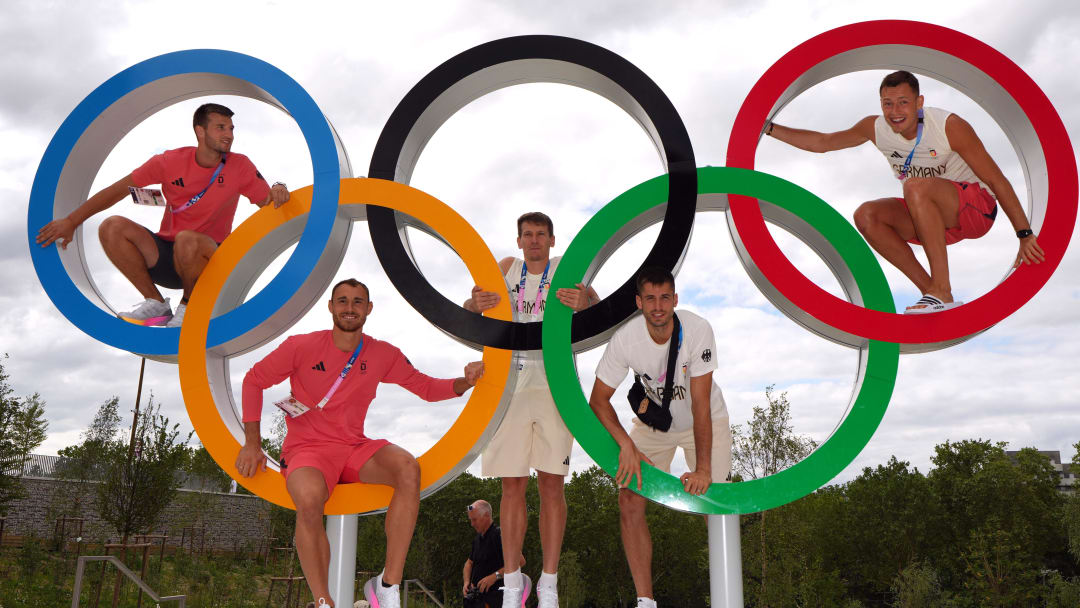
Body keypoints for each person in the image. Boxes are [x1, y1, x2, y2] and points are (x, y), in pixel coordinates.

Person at [236, 278, 484, 608]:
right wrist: (252, 443)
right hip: (307, 450)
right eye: (342, 301)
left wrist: (464, 382)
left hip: (354, 448)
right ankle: (323, 601)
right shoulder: (302, 346)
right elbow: (254, 379)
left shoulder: (382, 353)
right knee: (309, 502)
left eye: (357, 301)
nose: (349, 308)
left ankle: (387, 586)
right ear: (331, 307)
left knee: (408, 468)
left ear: (368, 309)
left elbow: (424, 387)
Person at [765, 70, 1044, 314]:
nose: (895, 111)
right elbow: (822, 142)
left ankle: (942, 289)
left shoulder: (948, 126)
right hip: (930, 219)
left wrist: (1024, 234)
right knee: (867, 215)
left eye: (903, 103)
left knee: (915, 186)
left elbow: (998, 181)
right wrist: (768, 128)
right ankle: (933, 294)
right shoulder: (875, 127)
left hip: (975, 209)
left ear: (919, 102)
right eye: (888, 103)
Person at [35, 102, 291, 327]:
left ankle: (190, 307)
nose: (229, 135)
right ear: (200, 131)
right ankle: (156, 304)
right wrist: (71, 221)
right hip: (168, 257)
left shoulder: (240, 165)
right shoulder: (169, 162)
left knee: (188, 239)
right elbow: (117, 191)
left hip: (209, 260)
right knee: (111, 226)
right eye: (221, 127)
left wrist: (279, 187)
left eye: (231, 128)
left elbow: (268, 203)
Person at [463, 211, 598, 608]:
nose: (534, 240)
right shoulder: (506, 268)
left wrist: (585, 299)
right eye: (528, 234)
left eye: (541, 234)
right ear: (519, 240)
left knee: (552, 481)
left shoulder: (566, 268)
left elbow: (599, 308)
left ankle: (550, 581)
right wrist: (475, 302)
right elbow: (468, 313)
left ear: (552, 241)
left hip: (555, 379)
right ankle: (513, 581)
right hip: (510, 380)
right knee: (511, 484)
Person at [587, 266, 731, 608]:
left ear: (675, 299)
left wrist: (704, 469)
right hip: (655, 426)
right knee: (629, 496)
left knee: (720, 505)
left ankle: (726, 597)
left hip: (705, 419)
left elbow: (700, 405)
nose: (657, 306)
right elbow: (598, 399)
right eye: (650, 298)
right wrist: (627, 445)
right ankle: (646, 601)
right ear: (639, 302)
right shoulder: (625, 339)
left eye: (665, 297)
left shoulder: (697, 330)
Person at [462, 500, 527, 608]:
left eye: (474, 520)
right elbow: (469, 563)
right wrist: (467, 582)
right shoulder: (477, 539)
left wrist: (495, 576)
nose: (472, 524)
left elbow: (520, 561)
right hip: (476, 600)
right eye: (471, 520)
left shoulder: (501, 534)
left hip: (496, 599)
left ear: (486, 515)